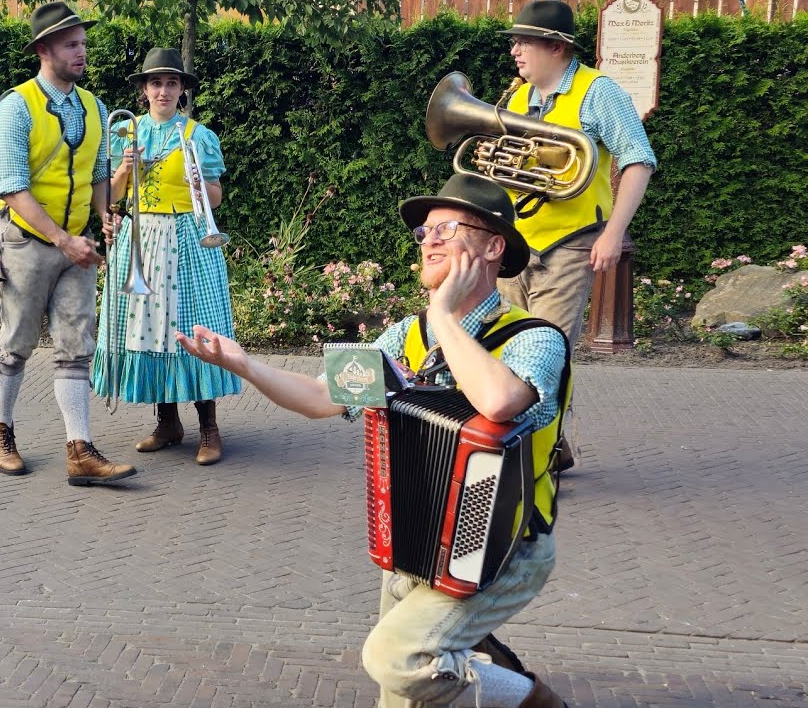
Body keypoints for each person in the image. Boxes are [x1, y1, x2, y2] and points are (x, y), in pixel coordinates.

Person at [179, 174, 573, 708]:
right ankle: (470, 658)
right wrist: (245, 364)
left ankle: (529, 699)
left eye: (447, 228)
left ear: (492, 246)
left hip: (503, 546)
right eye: (425, 231)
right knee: (401, 689)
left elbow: (499, 402)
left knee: (397, 660)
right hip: (416, 535)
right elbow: (322, 398)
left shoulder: (535, 338)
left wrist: (444, 316)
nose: (429, 240)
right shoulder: (404, 337)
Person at [0, 0, 135, 486]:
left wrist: (104, 215)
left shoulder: (95, 107)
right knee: (17, 344)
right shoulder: (15, 107)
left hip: (78, 245)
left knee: (76, 346)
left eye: (84, 44)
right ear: (44, 49)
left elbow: (96, 179)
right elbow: (11, 188)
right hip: (27, 242)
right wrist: (63, 239)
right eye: (72, 44)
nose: (82, 52)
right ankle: (2, 431)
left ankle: (79, 449)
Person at [92, 47, 241, 466]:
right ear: (144, 90)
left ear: (181, 91)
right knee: (150, 329)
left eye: (171, 83)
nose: (163, 90)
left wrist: (197, 177)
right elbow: (112, 196)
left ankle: (208, 427)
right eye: (155, 83)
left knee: (195, 325)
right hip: (140, 236)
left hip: (188, 237)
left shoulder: (198, 135)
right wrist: (124, 169)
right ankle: (168, 422)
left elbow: (216, 196)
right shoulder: (126, 132)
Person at [496, 0, 657, 344]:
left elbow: (639, 160)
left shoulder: (599, 91)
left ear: (556, 46)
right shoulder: (517, 98)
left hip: (569, 244)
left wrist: (614, 233)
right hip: (515, 243)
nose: (514, 51)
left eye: (524, 42)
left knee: (545, 353)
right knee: (505, 352)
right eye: (514, 42)